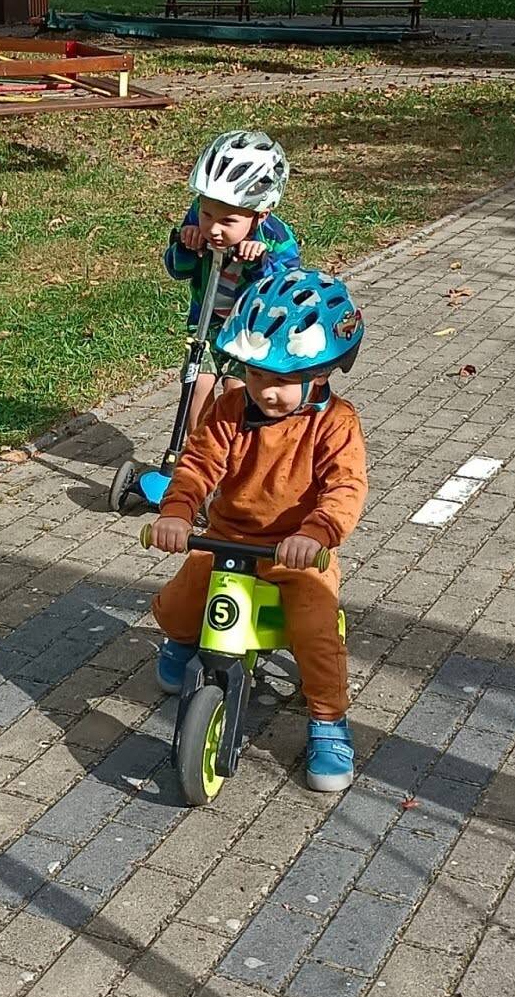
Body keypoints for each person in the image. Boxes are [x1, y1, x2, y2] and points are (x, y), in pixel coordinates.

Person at [148, 268, 367, 793]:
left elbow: (344, 488)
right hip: (227, 541)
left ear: (321, 373)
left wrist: (316, 534)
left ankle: (328, 720)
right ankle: (183, 641)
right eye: (256, 375)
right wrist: (177, 512)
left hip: (297, 552)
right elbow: (198, 464)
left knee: (315, 631)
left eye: (283, 381)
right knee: (178, 605)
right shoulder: (229, 409)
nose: (268, 392)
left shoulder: (335, 423)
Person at [164, 129, 300, 437]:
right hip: (208, 322)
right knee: (196, 383)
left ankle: (234, 450)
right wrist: (186, 247)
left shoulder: (276, 238)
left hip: (252, 330)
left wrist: (260, 262)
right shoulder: (197, 219)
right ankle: (200, 449)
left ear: (260, 215)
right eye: (207, 214)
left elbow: (284, 290)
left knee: (236, 389)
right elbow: (176, 268)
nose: (213, 228)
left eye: (227, 221)